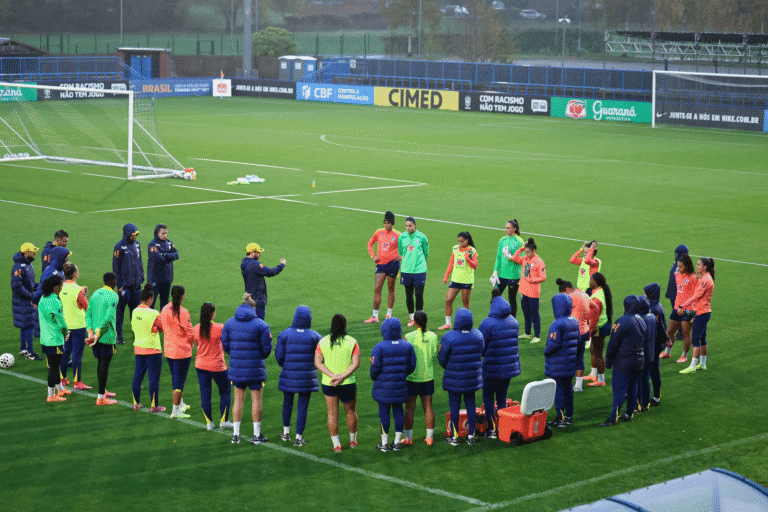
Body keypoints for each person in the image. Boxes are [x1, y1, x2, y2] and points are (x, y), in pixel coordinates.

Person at [223, 293, 273, 445]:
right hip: (255, 369)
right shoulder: (261, 325)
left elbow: (226, 345)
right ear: (253, 308)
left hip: (237, 368)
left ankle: (235, 435)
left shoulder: (229, 323)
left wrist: (236, 355)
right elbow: (266, 349)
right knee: (256, 400)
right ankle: (256, 435)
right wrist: (258, 356)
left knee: (238, 400)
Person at [275, 305, 322, 446]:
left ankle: (285, 433)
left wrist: (287, 366)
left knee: (287, 403)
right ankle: (298, 437)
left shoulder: (284, 334)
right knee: (303, 407)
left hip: (288, 375)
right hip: (307, 377)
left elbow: (279, 356)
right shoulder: (315, 336)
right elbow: (320, 358)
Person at [438, 308, 484, 446]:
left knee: (454, 406)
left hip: (454, 378)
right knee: (471, 404)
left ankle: (455, 437)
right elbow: (481, 353)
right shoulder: (478, 335)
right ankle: (471, 435)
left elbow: (442, 358)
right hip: (472, 377)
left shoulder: (449, 337)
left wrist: (451, 368)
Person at [315, 314, 360, 452]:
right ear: (345, 325)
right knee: (351, 411)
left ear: (332, 325)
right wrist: (342, 377)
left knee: (332, 414)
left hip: (329, 383)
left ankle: (336, 445)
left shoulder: (322, 342)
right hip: (348, 383)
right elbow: (356, 363)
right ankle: (353, 441)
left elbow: (317, 362)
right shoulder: (352, 342)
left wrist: (333, 376)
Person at [478, 291, 520, 438]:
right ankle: (503, 427)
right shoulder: (513, 321)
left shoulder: (487, 323)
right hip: (509, 366)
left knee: (488, 397)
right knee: (502, 398)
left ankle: (492, 429)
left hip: (492, 367)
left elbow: (481, 347)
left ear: (492, 305)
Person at [371, 317, 417, 452]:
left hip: (383, 387)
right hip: (400, 386)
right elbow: (412, 366)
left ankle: (384, 444)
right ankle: (397, 443)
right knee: (399, 412)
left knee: (384, 414)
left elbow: (375, 367)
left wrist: (375, 377)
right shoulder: (407, 345)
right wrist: (402, 374)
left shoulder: (379, 347)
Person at [599, 295, 646, 427]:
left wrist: (609, 359)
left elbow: (613, 342)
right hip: (639, 361)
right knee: (632, 387)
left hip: (624, 362)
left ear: (626, 306)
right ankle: (629, 413)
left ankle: (613, 418)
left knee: (619, 390)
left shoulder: (622, 321)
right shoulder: (641, 320)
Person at [158, 285, 195, 419]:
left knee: (176, 377)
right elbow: (190, 333)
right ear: (182, 296)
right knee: (179, 381)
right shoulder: (183, 312)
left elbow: (162, 325)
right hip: (182, 351)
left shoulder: (164, 309)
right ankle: (175, 411)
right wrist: (191, 344)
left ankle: (180, 404)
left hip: (169, 349)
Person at [194, 302, 231, 429]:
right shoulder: (219, 328)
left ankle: (209, 423)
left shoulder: (196, 328)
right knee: (225, 391)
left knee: (205, 394)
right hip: (217, 366)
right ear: (213, 314)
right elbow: (227, 343)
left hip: (201, 365)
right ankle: (224, 421)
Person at [403, 311, 439, 446]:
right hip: (427, 377)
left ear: (414, 322)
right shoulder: (433, 336)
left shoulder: (408, 337)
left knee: (409, 408)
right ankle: (429, 438)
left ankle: (408, 438)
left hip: (412, 377)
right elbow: (434, 353)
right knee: (428, 407)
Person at [544, 293, 580, 427]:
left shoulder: (557, 324)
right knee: (568, 389)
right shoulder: (574, 321)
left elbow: (553, 344)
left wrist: (546, 351)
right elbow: (578, 340)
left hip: (558, 364)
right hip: (570, 363)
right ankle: (568, 416)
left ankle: (561, 418)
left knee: (559, 390)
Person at [85, 272, 119, 406]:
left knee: (100, 363)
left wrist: (90, 331)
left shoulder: (95, 294)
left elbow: (88, 314)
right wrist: (99, 333)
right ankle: (100, 398)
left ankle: (103, 391)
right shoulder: (113, 296)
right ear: (113, 281)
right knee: (104, 365)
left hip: (94, 336)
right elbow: (108, 317)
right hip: (106, 336)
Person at [131, 284, 165, 413]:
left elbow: (134, 327)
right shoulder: (153, 313)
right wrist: (155, 328)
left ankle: (136, 403)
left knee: (137, 376)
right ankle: (154, 406)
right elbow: (162, 327)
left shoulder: (135, 311)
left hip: (139, 348)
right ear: (150, 299)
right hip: (153, 349)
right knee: (153, 378)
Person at [677, 258, 715, 375]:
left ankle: (692, 366)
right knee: (702, 338)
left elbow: (696, 296)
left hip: (701, 313)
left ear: (705, 267)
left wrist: (682, 306)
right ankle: (702, 364)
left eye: (699, 265)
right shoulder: (705, 278)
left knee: (695, 339)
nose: (697, 266)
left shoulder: (705, 280)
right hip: (703, 312)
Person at [556, 279, 594, 393]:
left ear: (567, 290)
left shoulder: (570, 297)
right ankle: (578, 386)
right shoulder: (585, 295)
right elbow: (595, 308)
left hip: (572, 332)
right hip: (584, 331)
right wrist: (587, 320)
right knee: (579, 358)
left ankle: (565, 383)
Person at [38, 275, 71, 403]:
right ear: (56, 287)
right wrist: (65, 333)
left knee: (54, 366)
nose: (62, 287)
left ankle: (60, 389)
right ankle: (51, 395)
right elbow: (61, 321)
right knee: (54, 367)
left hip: (45, 339)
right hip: (55, 339)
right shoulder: (55, 302)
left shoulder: (43, 299)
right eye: (61, 285)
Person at [365, 211, 401, 324]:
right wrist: (373, 257)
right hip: (381, 264)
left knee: (391, 289)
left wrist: (401, 257)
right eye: (385, 223)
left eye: (388, 223)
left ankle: (388, 314)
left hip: (393, 264)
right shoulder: (379, 232)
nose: (386, 225)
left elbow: (407, 248)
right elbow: (370, 244)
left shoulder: (398, 235)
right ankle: (374, 316)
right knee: (377, 288)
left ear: (392, 223)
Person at [60, 263, 90, 389]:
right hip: (78, 325)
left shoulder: (60, 287)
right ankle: (77, 382)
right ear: (74, 274)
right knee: (77, 353)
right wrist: (85, 295)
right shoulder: (79, 289)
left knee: (66, 351)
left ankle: (62, 379)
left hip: (65, 325)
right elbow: (87, 306)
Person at [440, 232, 478, 330]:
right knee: (448, 300)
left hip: (466, 281)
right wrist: (446, 276)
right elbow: (451, 263)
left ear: (467, 240)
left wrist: (467, 259)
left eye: (462, 241)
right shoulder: (455, 248)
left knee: (465, 302)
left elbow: (475, 266)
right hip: (455, 279)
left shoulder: (472, 251)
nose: (460, 243)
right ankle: (448, 323)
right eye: (459, 241)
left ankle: (467, 325)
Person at [113, 223, 144, 345]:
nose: (134, 236)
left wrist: (141, 278)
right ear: (127, 234)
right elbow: (116, 267)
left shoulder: (137, 244)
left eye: (136, 234)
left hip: (136, 285)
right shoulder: (119, 246)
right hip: (124, 286)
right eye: (133, 234)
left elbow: (140, 262)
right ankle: (118, 336)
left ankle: (136, 333)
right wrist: (119, 284)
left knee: (135, 312)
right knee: (120, 312)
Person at [511, 237, 547, 343]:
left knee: (534, 314)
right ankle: (527, 333)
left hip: (533, 292)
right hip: (524, 290)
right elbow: (514, 257)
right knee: (526, 314)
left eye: (528, 252)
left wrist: (532, 280)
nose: (527, 254)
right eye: (526, 252)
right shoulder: (525, 259)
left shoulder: (539, 262)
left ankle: (537, 335)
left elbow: (543, 277)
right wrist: (522, 247)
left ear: (534, 250)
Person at [12, 242, 42, 361]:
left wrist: (38, 286)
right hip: (23, 301)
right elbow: (16, 285)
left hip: (24, 300)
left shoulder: (28, 264)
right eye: (33, 252)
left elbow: (28, 283)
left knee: (25, 325)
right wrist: (30, 295)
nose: (35, 253)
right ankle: (30, 352)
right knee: (29, 325)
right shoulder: (19, 267)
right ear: (26, 252)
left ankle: (23, 349)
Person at [664, 254, 696, 363]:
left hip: (688, 310)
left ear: (686, 266)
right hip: (677, 307)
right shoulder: (677, 275)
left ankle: (684, 355)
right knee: (670, 331)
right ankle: (667, 352)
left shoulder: (694, 278)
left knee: (685, 334)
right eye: (678, 266)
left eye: (681, 266)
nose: (678, 268)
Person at [241, 242, 286, 321]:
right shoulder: (254, 264)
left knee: (250, 321)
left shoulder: (244, 263)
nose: (259, 254)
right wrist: (282, 265)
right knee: (258, 322)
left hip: (249, 298)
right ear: (252, 253)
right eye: (258, 252)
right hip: (257, 299)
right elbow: (270, 272)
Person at [398, 216, 429, 327]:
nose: (408, 228)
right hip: (406, 270)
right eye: (406, 226)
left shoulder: (422, 237)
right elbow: (401, 252)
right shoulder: (402, 237)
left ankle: (419, 319)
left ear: (415, 225)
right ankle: (412, 319)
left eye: (410, 226)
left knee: (419, 295)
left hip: (419, 270)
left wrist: (419, 263)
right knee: (409, 295)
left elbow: (426, 253)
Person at [584, 272, 613, 387]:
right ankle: (593, 374)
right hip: (601, 325)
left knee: (599, 354)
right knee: (593, 350)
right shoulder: (600, 291)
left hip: (599, 327)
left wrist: (589, 332)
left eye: (591, 279)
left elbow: (595, 318)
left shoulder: (597, 298)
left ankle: (601, 380)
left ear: (595, 282)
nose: (589, 281)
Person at [491, 219, 524, 318]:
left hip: (513, 275)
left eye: (508, 228)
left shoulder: (519, 241)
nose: (506, 230)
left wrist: (510, 257)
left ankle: (512, 322)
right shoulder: (502, 240)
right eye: (505, 228)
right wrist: (495, 271)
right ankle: (494, 317)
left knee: (512, 299)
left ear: (514, 229)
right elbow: (498, 257)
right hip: (501, 274)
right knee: (494, 297)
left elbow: (522, 260)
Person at [643, 283, 667, 407]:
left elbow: (660, 328)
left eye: (645, 293)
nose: (644, 295)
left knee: (651, 371)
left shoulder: (653, 309)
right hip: (656, 344)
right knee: (652, 370)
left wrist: (665, 339)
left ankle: (655, 397)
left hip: (653, 344)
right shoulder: (657, 305)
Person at [147, 223, 179, 311]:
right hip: (155, 279)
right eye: (163, 233)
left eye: (166, 233)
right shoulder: (152, 244)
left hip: (166, 278)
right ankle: (150, 319)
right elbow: (158, 259)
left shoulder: (169, 243)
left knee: (165, 303)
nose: (165, 235)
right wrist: (170, 258)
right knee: (151, 302)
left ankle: (163, 320)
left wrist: (165, 255)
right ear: (157, 233)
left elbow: (176, 255)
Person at [664, 244, 688, 344]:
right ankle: (680, 331)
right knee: (678, 313)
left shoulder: (682, 265)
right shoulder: (679, 264)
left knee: (679, 313)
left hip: (677, 294)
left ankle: (681, 333)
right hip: (674, 293)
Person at [635, 295, 657, 412]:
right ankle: (646, 404)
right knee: (646, 379)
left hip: (641, 354)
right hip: (650, 353)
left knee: (638, 380)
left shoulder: (639, 319)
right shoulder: (652, 316)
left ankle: (637, 405)